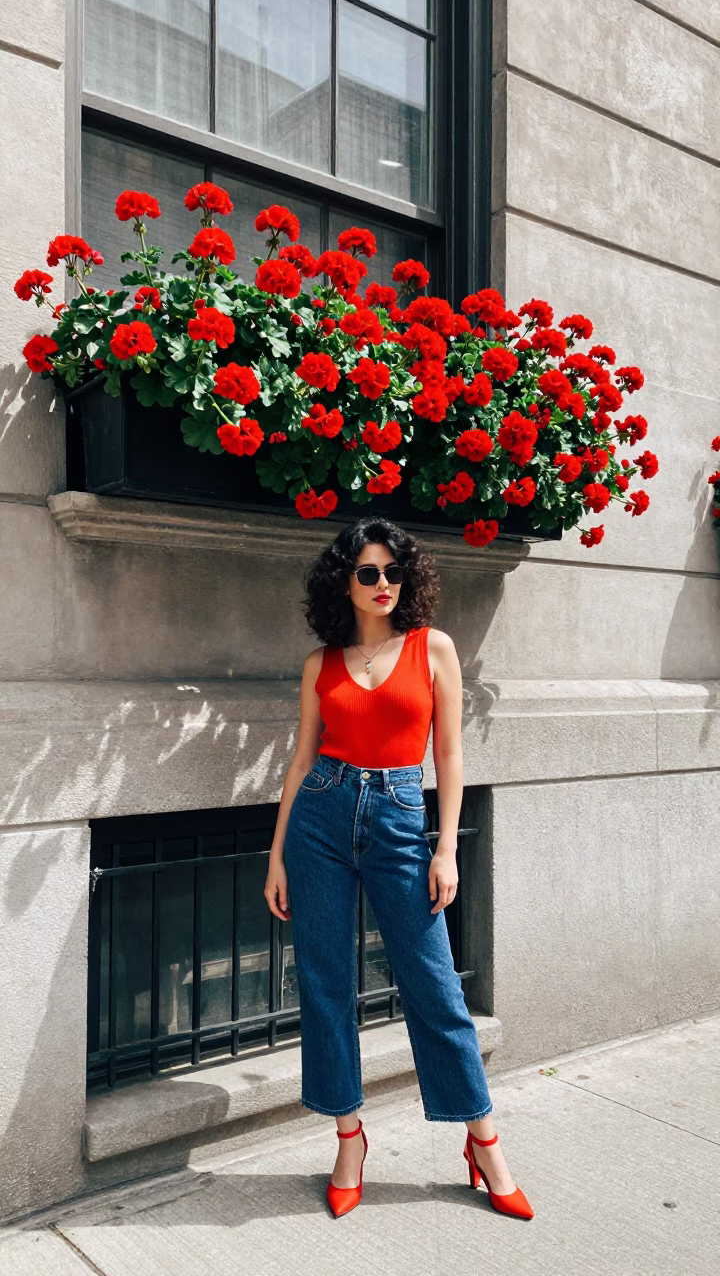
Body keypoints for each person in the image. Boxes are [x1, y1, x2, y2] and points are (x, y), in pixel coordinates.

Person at [265, 515, 533, 1221]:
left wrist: (445, 846)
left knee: (434, 986)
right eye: (368, 573)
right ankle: (349, 1139)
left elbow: (448, 755)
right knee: (325, 984)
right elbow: (300, 759)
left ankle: (484, 1139)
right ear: (344, 584)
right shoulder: (321, 664)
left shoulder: (432, 648)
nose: (384, 584)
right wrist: (276, 855)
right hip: (320, 816)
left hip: (398, 817)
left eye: (394, 571)